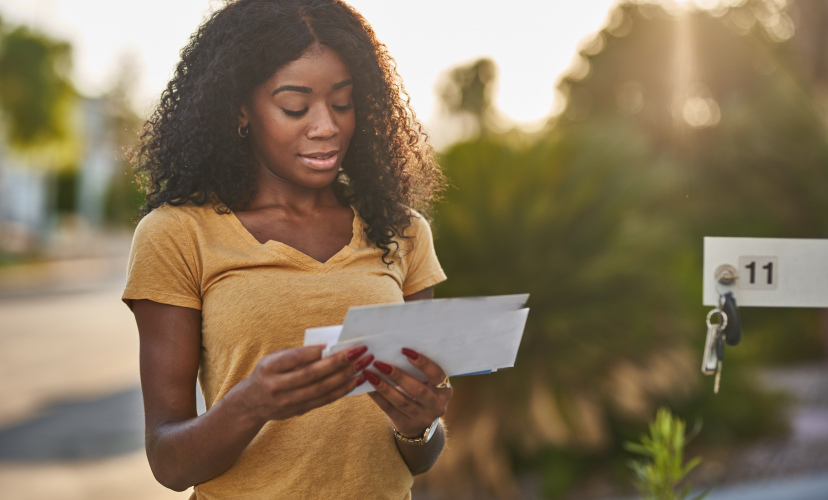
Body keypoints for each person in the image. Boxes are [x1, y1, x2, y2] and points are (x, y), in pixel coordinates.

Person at [122, 1, 450, 498]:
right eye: (295, 107)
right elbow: (168, 462)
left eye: (343, 103)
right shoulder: (177, 234)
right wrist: (250, 403)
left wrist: (419, 425)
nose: (326, 126)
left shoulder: (400, 231)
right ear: (240, 110)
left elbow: (420, 456)